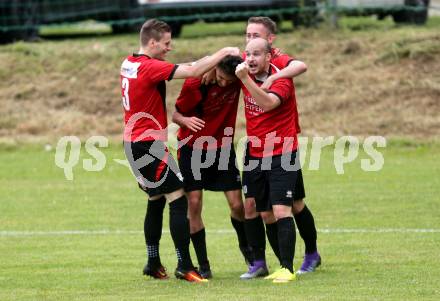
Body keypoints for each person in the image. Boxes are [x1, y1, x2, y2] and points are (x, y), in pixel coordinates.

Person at [120, 18, 239, 283]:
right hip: (147, 145)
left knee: (156, 199)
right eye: (165, 43)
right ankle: (185, 265)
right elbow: (194, 71)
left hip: (133, 143)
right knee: (178, 197)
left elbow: (192, 68)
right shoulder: (149, 67)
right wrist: (224, 52)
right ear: (152, 42)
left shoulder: (128, 63)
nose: (168, 48)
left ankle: (152, 262)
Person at [237, 17, 321, 279]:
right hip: (255, 150)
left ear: (270, 47)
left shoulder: (281, 70)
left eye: (255, 40)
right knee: (260, 209)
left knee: (288, 207)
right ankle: (267, 264)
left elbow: (268, 103)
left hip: (281, 150)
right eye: (247, 39)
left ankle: (299, 260)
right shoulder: (245, 63)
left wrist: (267, 80)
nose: (249, 49)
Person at [171, 55, 250, 279]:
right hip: (192, 149)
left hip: (222, 149)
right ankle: (203, 265)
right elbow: (175, 114)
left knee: (237, 205)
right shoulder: (196, 83)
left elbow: (244, 53)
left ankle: (248, 251)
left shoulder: (238, 76)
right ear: (215, 69)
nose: (225, 84)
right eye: (222, 78)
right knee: (194, 204)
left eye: (229, 81)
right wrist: (185, 121)